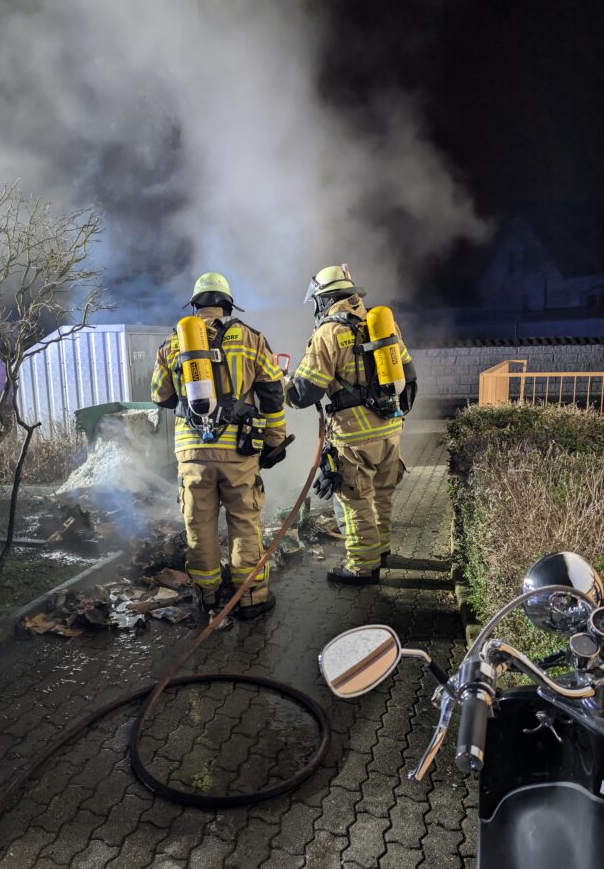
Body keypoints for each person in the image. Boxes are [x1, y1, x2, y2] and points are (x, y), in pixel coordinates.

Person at [151, 272, 286, 619]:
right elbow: (273, 393)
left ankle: (207, 596)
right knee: (244, 522)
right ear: (228, 305)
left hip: (192, 452)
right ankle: (250, 598)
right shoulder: (252, 339)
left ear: (195, 305)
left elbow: (160, 396)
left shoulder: (172, 343)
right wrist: (275, 441)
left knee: (198, 525)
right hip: (239, 449)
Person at [286, 264, 418, 585]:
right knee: (382, 494)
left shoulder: (328, 333)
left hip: (354, 435)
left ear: (324, 299)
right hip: (390, 428)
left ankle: (362, 566)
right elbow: (409, 376)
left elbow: (305, 392)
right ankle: (381, 550)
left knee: (355, 501)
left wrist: (283, 386)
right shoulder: (382, 323)